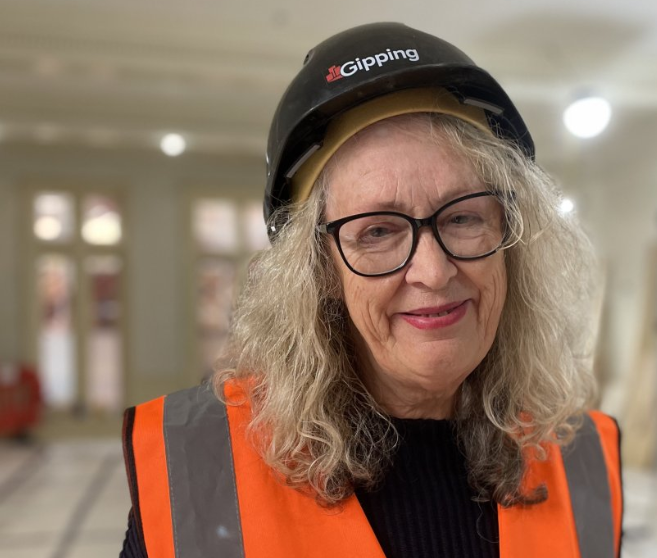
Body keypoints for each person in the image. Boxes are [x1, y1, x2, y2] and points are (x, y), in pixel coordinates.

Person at [119, 22, 622, 558]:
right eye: (378, 231)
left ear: (510, 243)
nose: (433, 270)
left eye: (464, 218)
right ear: (319, 272)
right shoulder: (202, 469)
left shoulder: (581, 459)